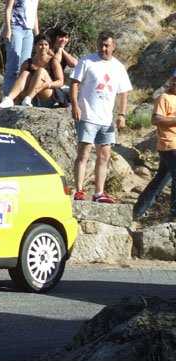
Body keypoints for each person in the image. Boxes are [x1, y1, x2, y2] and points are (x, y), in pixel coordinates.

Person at [71, 31, 132, 203]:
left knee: (104, 156)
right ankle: (79, 191)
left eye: (107, 45)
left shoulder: (118, 67)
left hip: (106, 120)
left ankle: (99, 193)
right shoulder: (87, 61)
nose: (103, 48)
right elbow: (75, 83)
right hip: (88, 115)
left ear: (114, 46)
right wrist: (75, 105)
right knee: (83, 154)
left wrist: (121, 114)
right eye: (101, 44)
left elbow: (123, 93)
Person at [133, 71, 176, 221]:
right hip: (169, 144)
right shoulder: (164, 98)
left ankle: (138, 210)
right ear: (171, 81)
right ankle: (174, 214)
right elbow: (156, 119)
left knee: (161, 179)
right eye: (174, 80)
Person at [0, 34, 63, 108]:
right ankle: (9, 99)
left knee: (41, 71)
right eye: (40, 44)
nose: (43, 47)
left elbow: (60, 82)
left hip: (47, 95)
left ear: (49, 46)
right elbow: (20, 83)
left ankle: (29, 98)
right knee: (25, 73)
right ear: (35, 46)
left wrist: (48, 84)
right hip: (29, 96)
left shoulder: (53, 61)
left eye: (46, 44)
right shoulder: (27, 63)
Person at [2, 0, 40, 96]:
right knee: (13, 66)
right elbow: (8, 9)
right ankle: (7, 96)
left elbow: (34, 14)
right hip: (15, 28)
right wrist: (8, 29)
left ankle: (18, 97)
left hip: (29, 32)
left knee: (25, 66)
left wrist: (38, 35)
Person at [50, 27, 78, 106]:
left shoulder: (63, 51)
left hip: (60, 84)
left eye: (66, 38)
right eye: (61, 37)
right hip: (50, 81)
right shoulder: (49, 50)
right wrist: (60, 50)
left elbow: (74, 63)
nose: (64, 40)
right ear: (55, 38)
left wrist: (62, 50)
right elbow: (56, 61)